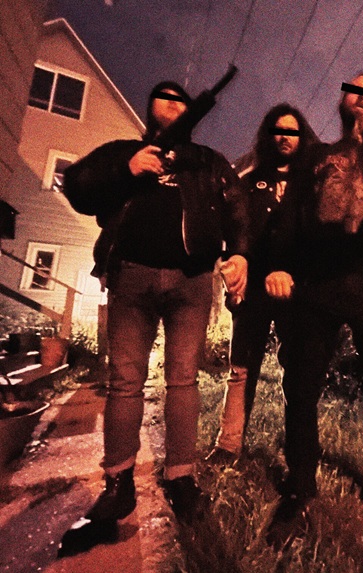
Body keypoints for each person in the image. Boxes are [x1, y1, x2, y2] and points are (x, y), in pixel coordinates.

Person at [59, 81, 248, 555]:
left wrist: (241, 252)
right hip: (132, 276)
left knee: (183, 380)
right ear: (149, 108)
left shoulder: (206, 161)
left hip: (191, 280)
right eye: (164, 97)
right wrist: (126, 168)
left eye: (181, 99)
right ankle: (118, 482)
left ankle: (181, 478)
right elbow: (77, 185)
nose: (174, 103)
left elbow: (238, 207)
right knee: (125, 381)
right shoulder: (124, 150)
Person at [263, 74, 363, 546]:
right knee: (301, 385)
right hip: (319, 280)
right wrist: (280, 264)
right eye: (356, 88)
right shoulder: (316, 155)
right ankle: (299, 488)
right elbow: (292, 212)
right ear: (343, 100)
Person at [207, 103, 319, 464]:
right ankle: (228, 445)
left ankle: (298, 448)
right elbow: (235, 229)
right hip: (253, 286)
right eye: (278, 130)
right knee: (241, 367)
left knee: (298, 368)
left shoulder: (312, 182)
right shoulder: (249, 179)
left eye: (292, 130)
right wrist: (233, 276)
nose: (284, 137)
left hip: (295, 287)